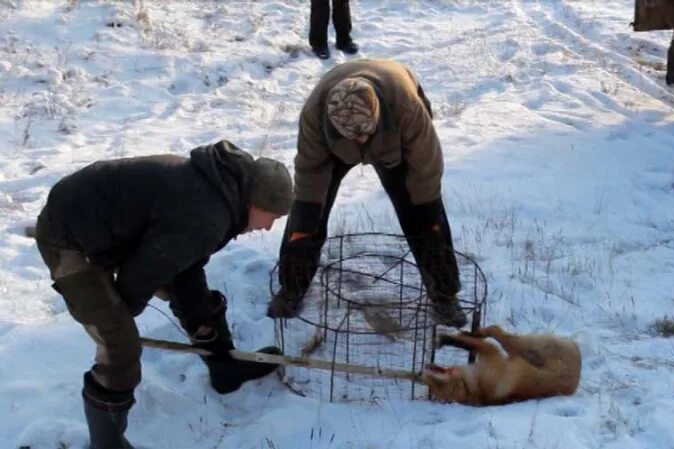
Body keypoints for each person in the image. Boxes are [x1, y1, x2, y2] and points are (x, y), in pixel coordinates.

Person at [34, 140, 293, 449]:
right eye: (273, 217)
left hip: (121, 231)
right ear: (256, 204)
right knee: (120, 347)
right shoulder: (208, 214)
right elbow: (141, 275)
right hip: (69, 235)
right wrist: (114, 323)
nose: (268, 228)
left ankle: (226, 369)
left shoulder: (221, 194)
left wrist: (198, 313)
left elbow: (184, 263)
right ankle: (107, 444)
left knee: (194, 297)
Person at [266, 59, 467, 328]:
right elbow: (310, 177)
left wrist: (428, 218)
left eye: (364, 133)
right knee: (306, 218)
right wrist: (304, 225)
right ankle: (291, 288)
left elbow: (425, 172)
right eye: (353, 135)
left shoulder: (407, 108)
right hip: (334, 147)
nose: (360, 141)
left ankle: (444, 295)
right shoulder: (315, 115)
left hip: (392, 140)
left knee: (424, 218)